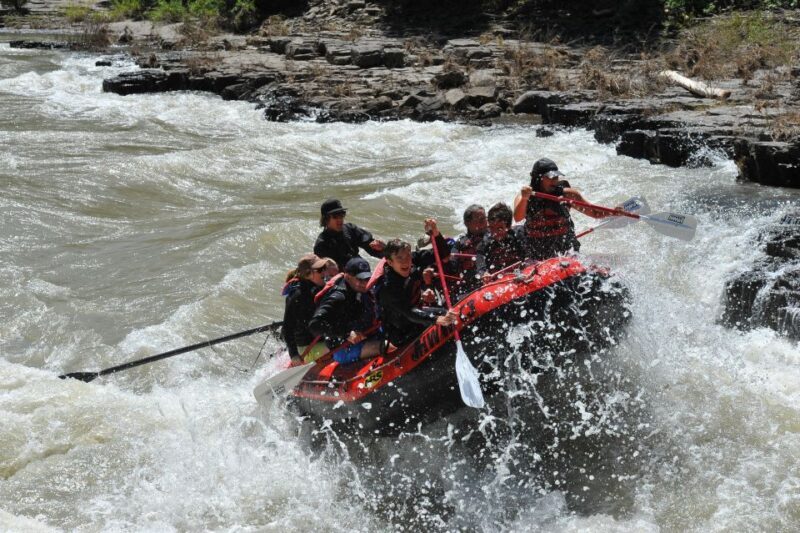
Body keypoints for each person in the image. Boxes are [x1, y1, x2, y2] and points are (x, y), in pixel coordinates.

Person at [379, 218, 458, 348]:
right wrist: (436, 319)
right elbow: (408, 312)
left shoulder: (414, 260)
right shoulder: (388, 286)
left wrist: (436, 233)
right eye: (399, 258)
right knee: (441, 319)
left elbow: (443, 255)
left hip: (418, 314)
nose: (406, 261)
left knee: (447, 314)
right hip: (401, 330)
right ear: (390, 262)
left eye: (408, 256)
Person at [512, 158, 610, 260]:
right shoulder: (525, 196)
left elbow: (595, 213)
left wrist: (615, 212)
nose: (555, 180)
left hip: (566, 251)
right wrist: (524, 198)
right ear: (538, 178)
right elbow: (517, 218)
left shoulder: (568, 195)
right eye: (550, 177)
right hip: (537, 253)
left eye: (556, 177)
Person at [308, 257, 381, 364]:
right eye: (360, 279)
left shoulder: (360, 289)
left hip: (368, 334)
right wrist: (346, 334)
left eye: (367, 279)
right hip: (343, 349)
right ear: (347, 276)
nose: (365, 283)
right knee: (386, 346)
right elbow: (314, 325)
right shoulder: (338, 296)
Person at [313, 198, 385, 271]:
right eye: (335, 216)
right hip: (342, 275)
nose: (340, 219)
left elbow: (371, 246)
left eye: (342, 215)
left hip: (361, 270)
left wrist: (383, 249)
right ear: (326, 219)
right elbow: (326, 272)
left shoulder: (350, 229)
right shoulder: (321, 244)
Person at [282, 254, 327, 365]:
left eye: (324, 268)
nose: (324, 272)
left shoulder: (321, 287)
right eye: (320, 270)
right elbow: (287, 329)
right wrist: (294, 355)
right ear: (308, 274)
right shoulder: (297, 296)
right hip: (308, 347)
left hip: (323, 339)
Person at [475, 202, 525, 283]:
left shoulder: (519, 235)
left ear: (508, 226)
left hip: (521, 275)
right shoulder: (484, 244)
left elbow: (529, 256)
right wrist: (484, 274)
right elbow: (480, 267)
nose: (494, 233)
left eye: (499, 229)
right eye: (491, 228)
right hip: (499, 282)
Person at [449, 204, 488, 296]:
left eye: (485, 219)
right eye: (480, 220)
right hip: (471, 288)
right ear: (467, 223)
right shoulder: (460, 244)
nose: (484, 223)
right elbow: (451, 265)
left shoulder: (495, 235)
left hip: (495, 280)